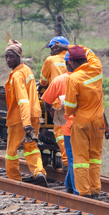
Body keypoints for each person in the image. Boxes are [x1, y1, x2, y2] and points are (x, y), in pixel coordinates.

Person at [3, 39, 48, 187]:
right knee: (31, 147)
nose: (9, 60)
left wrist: (26, 123)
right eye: (7, 57)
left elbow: (23, 101)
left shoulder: (16, 76)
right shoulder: (27, 69)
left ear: (18, 56)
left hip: (20, 119)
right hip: (35, 115)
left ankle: (14, 180)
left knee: (11, 151)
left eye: (12, 56)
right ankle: (39, 172)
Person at [64, 45, 106, 198]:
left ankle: (84, 192)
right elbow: (90, 51)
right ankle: (95, 190)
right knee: (95, 157)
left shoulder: (73, 78)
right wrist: (68, 46)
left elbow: (69, 106)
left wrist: (67, 111)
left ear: (73, 63)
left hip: (81, 123)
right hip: (98, 122)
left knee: (81, 159)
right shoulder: (96, 68)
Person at [41, 52, 76, 194]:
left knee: (73, 157)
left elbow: (46, 101)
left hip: (66, 123)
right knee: (80, 158)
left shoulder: (59, 80)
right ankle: (72, 187)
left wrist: (52, 112)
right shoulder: (86, 79)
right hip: (84, 125)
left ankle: (73, 187)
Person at [39, 36, 70, 167]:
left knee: (60, 132)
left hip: (59, 100)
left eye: (51, 48)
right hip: (75, 97)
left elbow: (43, 81)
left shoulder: (50, 60)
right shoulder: (71, 59)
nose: (50, 51)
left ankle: (67, 162)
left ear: (57, 47)